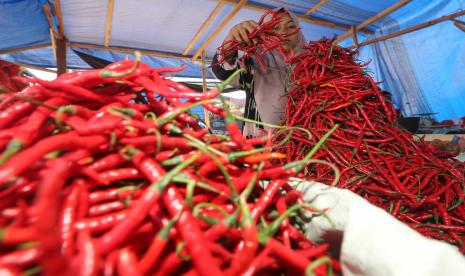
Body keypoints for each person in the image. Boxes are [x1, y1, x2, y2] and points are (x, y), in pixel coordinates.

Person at [212, 8, 307, 137]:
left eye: (290, 27)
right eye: (275, 28)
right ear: (264, 33)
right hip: (261, 143)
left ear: (299, 33)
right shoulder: (254, 62)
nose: (283, 33)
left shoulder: (314, 63)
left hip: (306, 140)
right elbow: (223, 72)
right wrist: (230, 40)